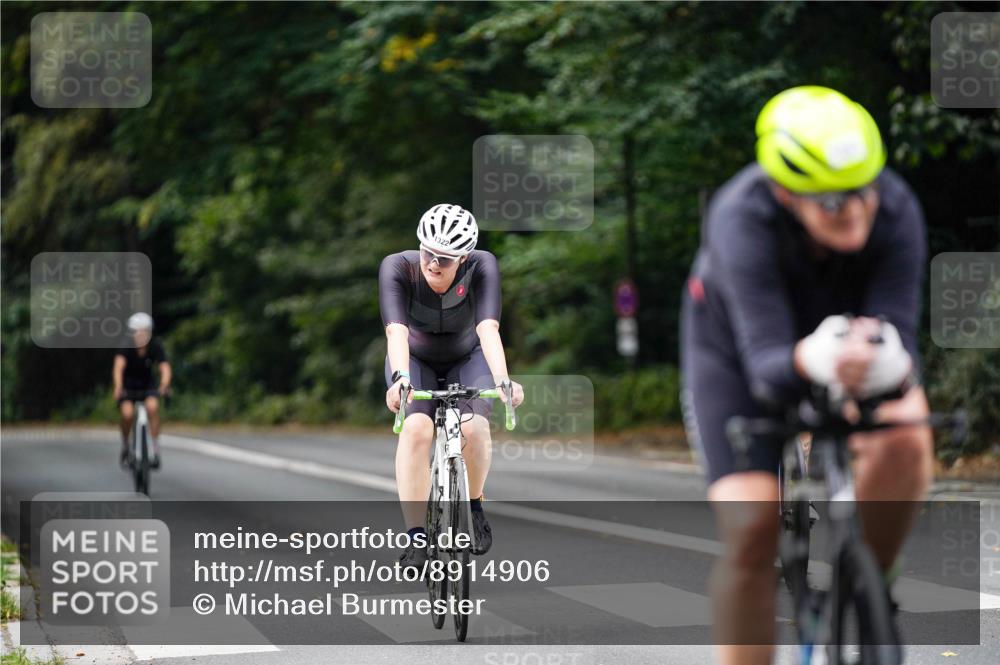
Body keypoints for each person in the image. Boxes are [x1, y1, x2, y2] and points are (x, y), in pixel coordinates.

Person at [680, 86, 931, 665]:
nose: (858, 210)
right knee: (751, 527)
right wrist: (812, 359)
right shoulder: (741, 218)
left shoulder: (896, 208)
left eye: (865, 189)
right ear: (787, 193)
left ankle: (873, 579)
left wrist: (887, 361)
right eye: (835, 201)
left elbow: (902, 343)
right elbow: (767, 372)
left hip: (841, 334)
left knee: (907, 432)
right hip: (738, 348)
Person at [379, 203, 524, 569]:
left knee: (474, 429)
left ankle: (473, 505)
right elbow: (396, 332)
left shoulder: (482, 266)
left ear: (463, 258)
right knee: (416, 429)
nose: (433, 264)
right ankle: (416, 537)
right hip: (415, 360)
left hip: (467, 358)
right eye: (427, 252)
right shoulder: (398, 267)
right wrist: (400, 379)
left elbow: (488, 328)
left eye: (444, 259)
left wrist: (503, 380)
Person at [113, 312, 172, 469]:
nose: (141, 335)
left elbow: (164, 367)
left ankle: (155, 447)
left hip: (148, 386)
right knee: (127, 414)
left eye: (144, 331)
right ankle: (126, 444)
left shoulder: (155, 346)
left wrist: (164, 384)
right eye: (137, 331)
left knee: (153, 407)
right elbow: (118, 367)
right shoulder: (126, 346)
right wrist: (118, 386)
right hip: (128, 387)